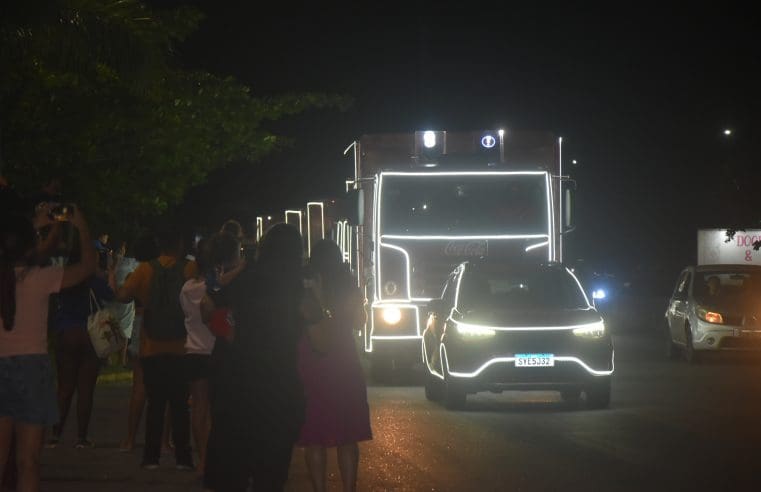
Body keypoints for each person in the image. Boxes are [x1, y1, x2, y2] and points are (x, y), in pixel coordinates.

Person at [0, 209, 96, 491]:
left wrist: (31, 227)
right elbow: (87, 267)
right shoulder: (41, 278)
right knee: (28, 462)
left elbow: (17, 249)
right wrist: (81, 227)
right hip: (32, 370)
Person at [204, 223, 305, 491]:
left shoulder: (246, 279)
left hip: (240, 383)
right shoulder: (297, 288)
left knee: (235, 471)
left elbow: (209, 304)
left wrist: (231, 333)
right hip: (279, 389)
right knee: (271, 475)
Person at [115, 225, 195, 470]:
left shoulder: (145, 269)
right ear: (180, 244)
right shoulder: (189, 268)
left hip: (152, 345)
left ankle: (151, 457)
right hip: (181, 346)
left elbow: (124, 296)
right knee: (180, 404)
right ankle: (183, 457)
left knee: (156, 403)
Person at [297, 240, 372, 492]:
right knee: (347, 434)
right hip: (344, 359)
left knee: (314, 437)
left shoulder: (306, 284)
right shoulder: (348, 284)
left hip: (313, 358)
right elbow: (360, 323)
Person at [47, 231, 116, 449]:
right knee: (86, 389)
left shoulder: (63, 277)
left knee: (64, 387)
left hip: (66, 332)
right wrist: (109, 272)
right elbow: (111, 295)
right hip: (89, 335)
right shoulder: (93, 279)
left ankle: (55, 434)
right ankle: (82, 437)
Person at [179, 238, 215, 473]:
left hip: (193, 349)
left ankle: (202, 458)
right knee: (213, 408)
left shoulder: (186, 288)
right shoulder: (215, 288)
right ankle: (211, 458)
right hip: (214, 351)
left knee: (198, 406)